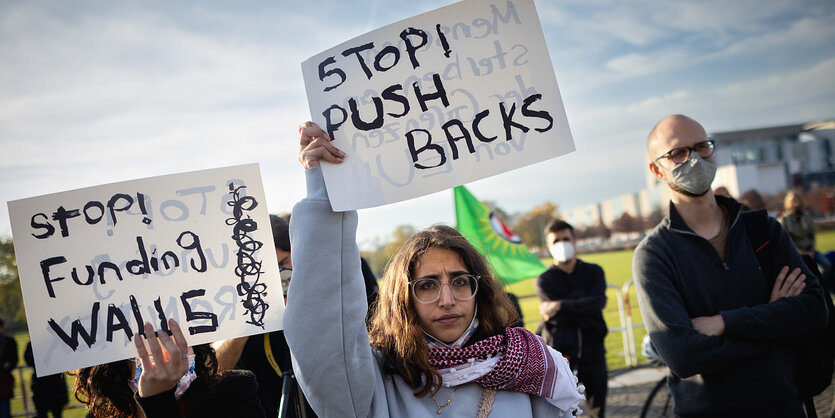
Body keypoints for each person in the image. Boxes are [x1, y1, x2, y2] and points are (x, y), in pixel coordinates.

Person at [283, 122, 583, 418]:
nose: (447, 299)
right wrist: (326, 188)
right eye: (427, 285)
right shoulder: (376, 380)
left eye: (460, 281)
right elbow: (324, 333)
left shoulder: (529, 363)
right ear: (404, 299)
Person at [632, 114, 828, 417]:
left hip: (785, 407)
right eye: (678, 153)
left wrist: (724, 323)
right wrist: (773, 321)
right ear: (657, 169)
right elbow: (683, 356)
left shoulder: (763, 230)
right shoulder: (654, 254)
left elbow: (814, 310)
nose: (694, 159)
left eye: (702, 147)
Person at [213, 214, 315, 418]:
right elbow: (216, 369)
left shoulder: (316, 288)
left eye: (285, 263)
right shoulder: (231, 301)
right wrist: (251, 318)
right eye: (269, 270)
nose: (281, 275)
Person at [73, 319, 264, 418]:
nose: (166, 354)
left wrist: (158, 401)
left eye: (171, 338)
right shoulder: (101, 415)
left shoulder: (234, 394)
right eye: (148, 348)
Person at [536, 219, 608, 417]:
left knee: (598, 408)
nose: (562, 244)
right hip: (562, 353)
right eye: (556, 241)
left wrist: (561, 305)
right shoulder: (544, 280)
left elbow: (598, 302)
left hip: (594, 350)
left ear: (574, 241)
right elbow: (589, 306)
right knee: (563, 411)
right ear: (549, 247)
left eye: (566, 239)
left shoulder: (594, 271)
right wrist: (584, 304)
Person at [781, 189, 835, 292]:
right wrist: (803, 253)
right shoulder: (785, 220)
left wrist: (812, 251)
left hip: (811, 251)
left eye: (797, 199)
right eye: (792, 200)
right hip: (797, 253)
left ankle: (824, 288)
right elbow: (788, 241)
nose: (795, 202)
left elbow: (812, 236)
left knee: (827, 264)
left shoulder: (806, 217)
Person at [24, 342, 68, 417]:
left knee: (56, 413)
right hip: (43, 386)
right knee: (44, 413)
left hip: (53, 385)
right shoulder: (32, 344)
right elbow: (28, 360)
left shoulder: (33, 344)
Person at [0, 317, 18, 418]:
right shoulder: (9, 341)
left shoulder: (9, 342)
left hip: (3, 382)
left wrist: (9, 364)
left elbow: (14, 359)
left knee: (4, 412)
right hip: (4, 382)